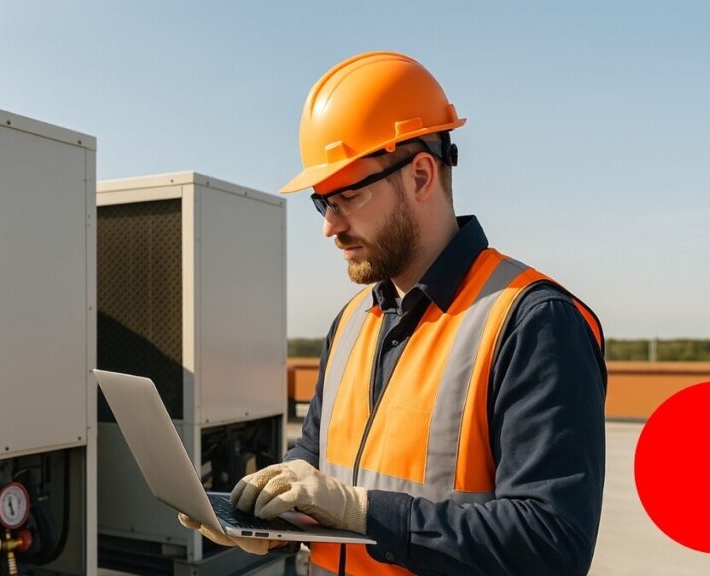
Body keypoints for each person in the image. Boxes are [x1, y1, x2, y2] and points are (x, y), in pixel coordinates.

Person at [179, 51, 607, 575]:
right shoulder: (354, 321)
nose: (329, 227)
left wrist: (362, 513)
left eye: (347, 197)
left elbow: (551, 543)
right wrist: (270, 512)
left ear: (422, 175)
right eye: (322, 203)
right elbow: (316, 460)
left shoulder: (533, 322)